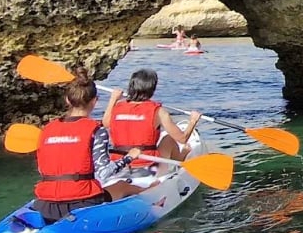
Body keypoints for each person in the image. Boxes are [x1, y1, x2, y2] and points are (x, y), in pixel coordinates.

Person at [33, 68, 143, 223]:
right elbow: (104, 172)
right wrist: (129, 157)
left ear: (67, 100)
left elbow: (41, 168)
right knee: (122, 185)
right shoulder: (96, 130)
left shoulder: (47, 129)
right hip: (83, 201)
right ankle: (155, 197)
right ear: (95, 101)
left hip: (46, 203)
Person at [103, 68, 201, 163]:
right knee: (169, 139)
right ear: (152, 89)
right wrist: (193, 121)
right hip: (148, 164)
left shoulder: (117, 107)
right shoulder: (159, 112)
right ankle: (179, 159)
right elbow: (182, 139)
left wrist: (113, 98)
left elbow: (106, 123)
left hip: (120, 162)